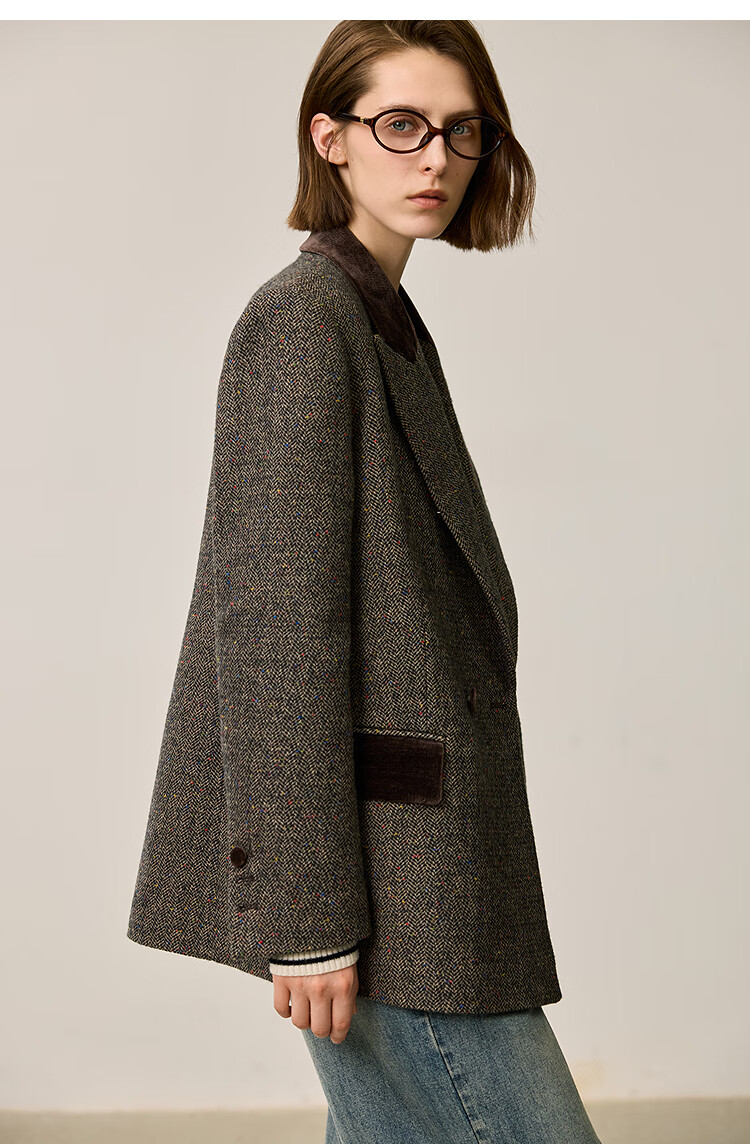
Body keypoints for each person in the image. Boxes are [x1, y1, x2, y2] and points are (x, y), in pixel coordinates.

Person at [127, 19, 603, 1144]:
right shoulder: (304, 322)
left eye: (462, 131)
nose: (435, 158)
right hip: (386, 880)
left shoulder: (382, 319)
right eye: (401, 125)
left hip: (422, 854)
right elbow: (274, 634)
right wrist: (306, 919)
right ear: (329, 138)